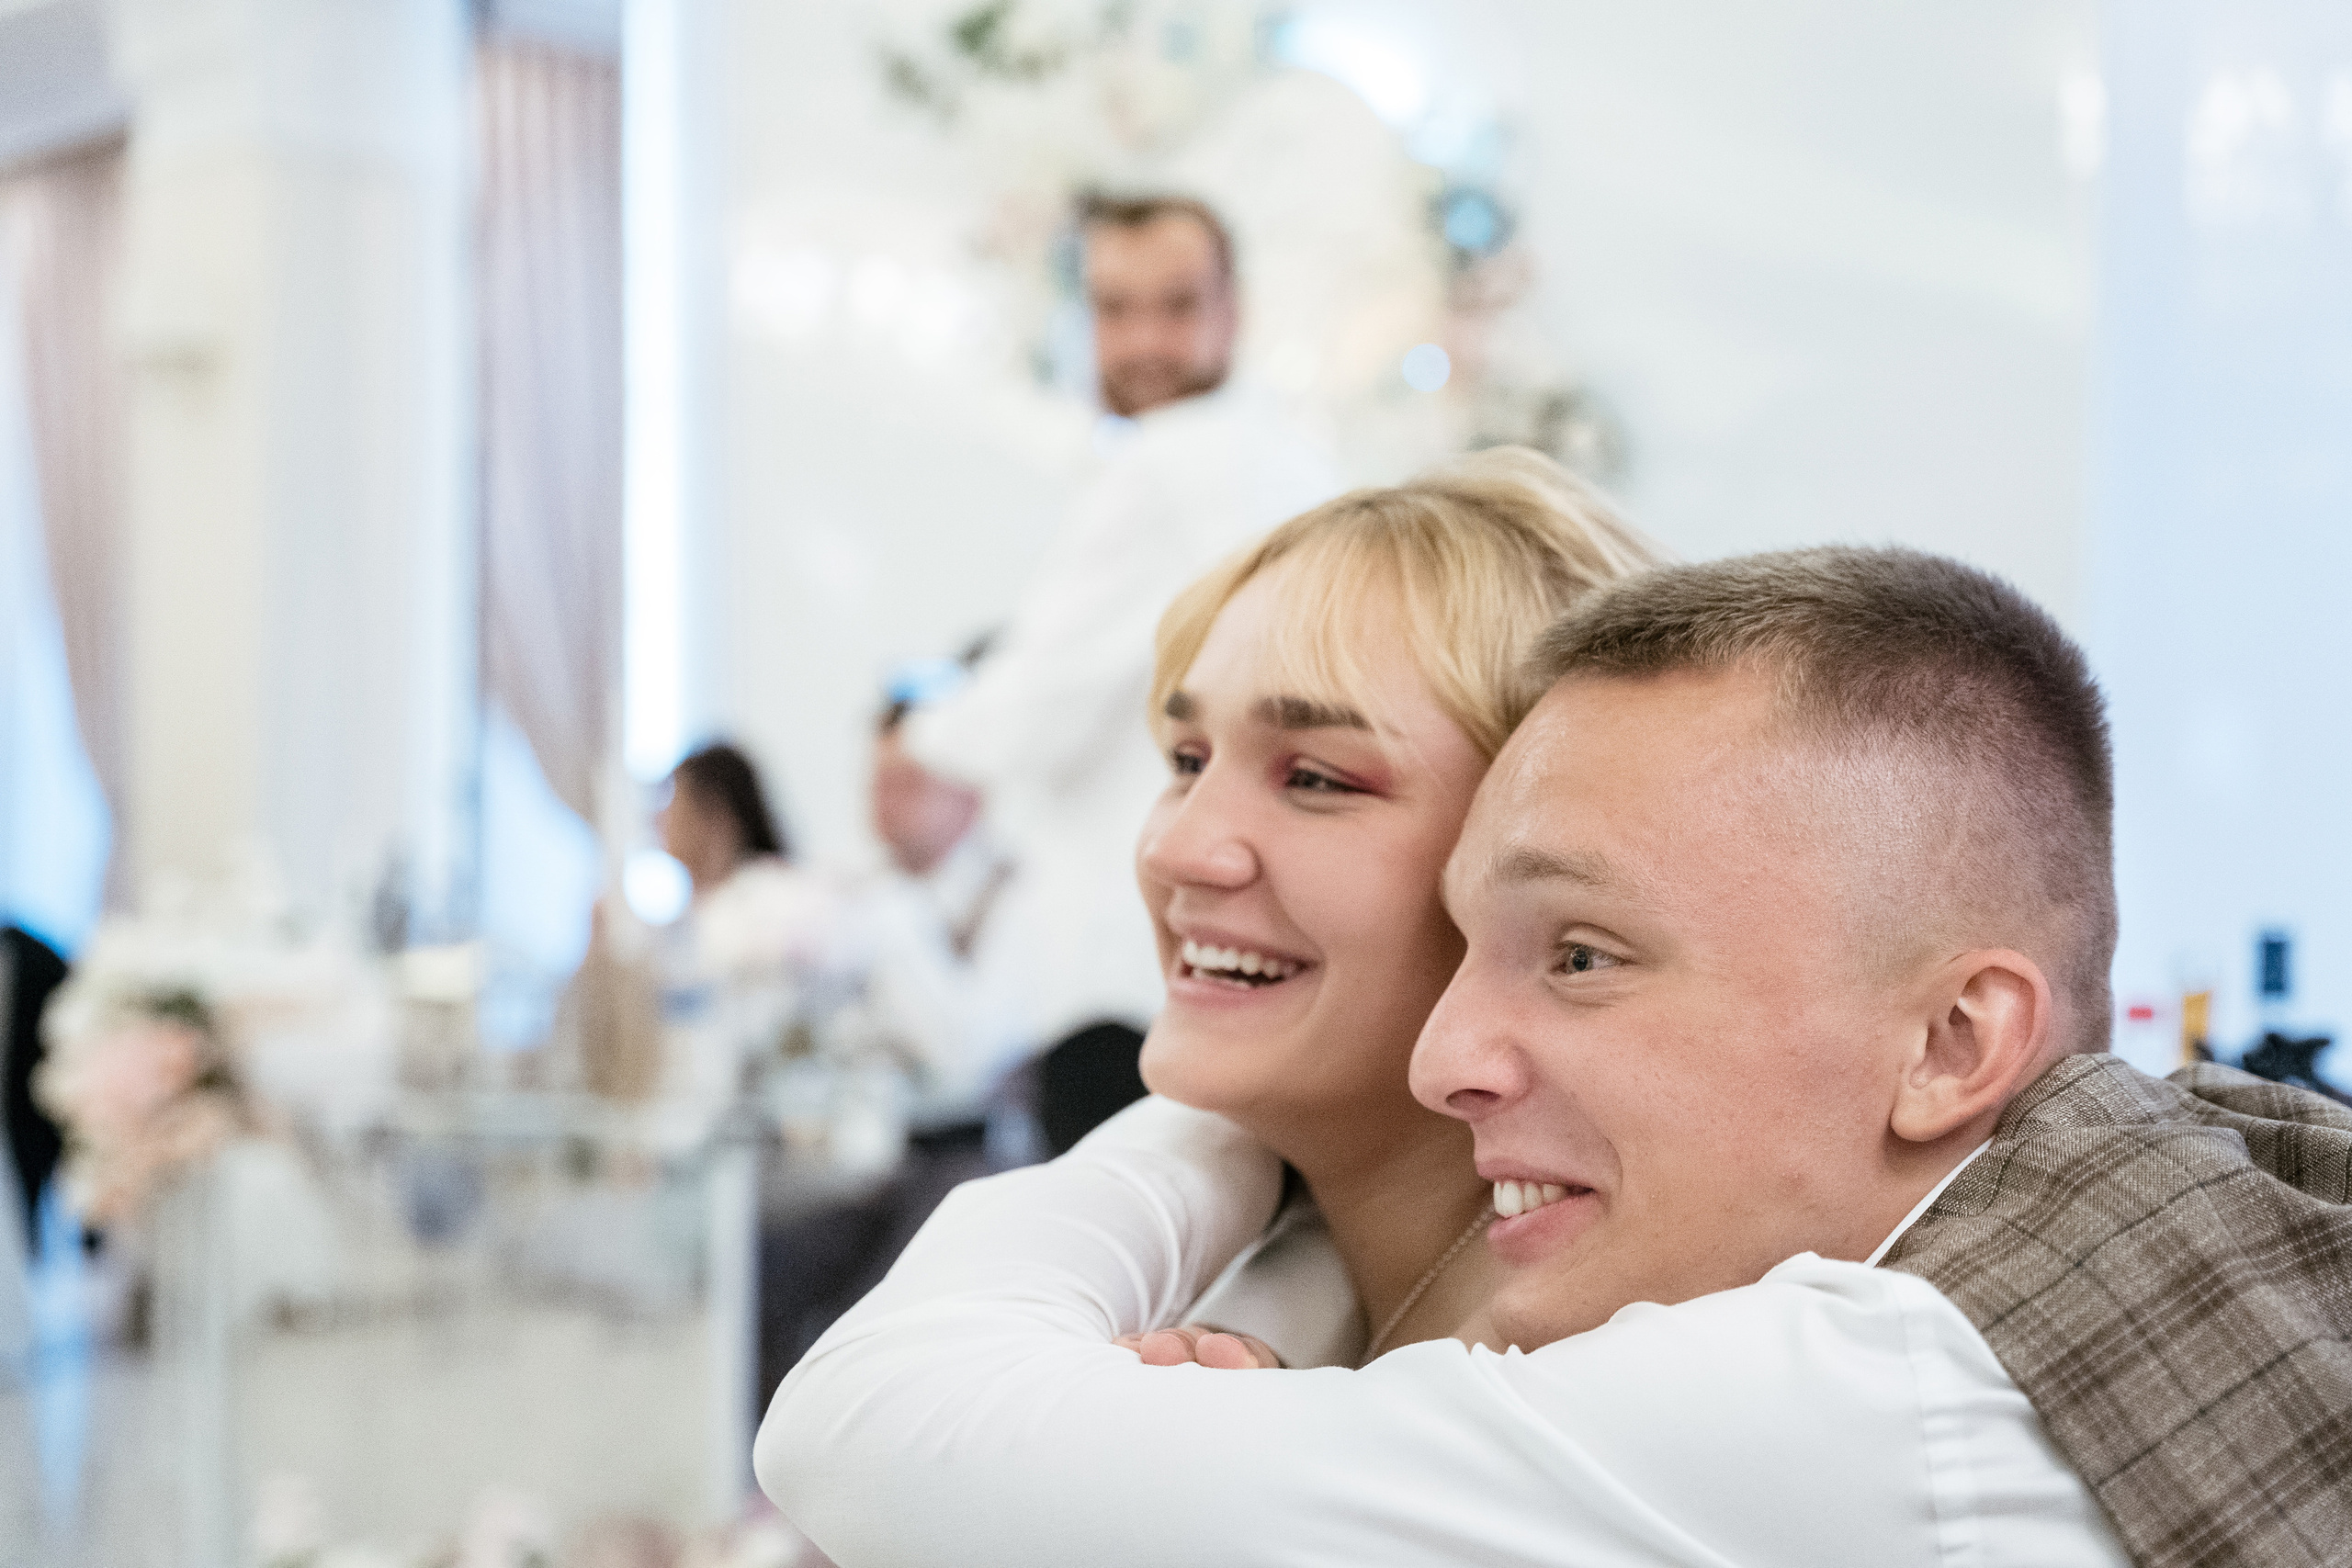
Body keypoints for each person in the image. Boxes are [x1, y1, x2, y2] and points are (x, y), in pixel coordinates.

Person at [756, 547, 2352, 1566]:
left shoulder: (1875, 1399)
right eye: (1181, 757)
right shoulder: (2125, 1225)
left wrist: (1202, 1133)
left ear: (1953, 1042)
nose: (1183, 843)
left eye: (1578, 955)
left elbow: (865, 1430)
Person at [900, 193, 1340, 1155]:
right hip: (1264, 961)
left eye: (1176, 307)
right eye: (1115, 309)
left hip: (1130, 969)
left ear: (1234, 312)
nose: (1144, 340)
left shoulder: (1162, 470)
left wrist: (921, 725)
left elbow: (1022, 719)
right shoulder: (1298, 466)